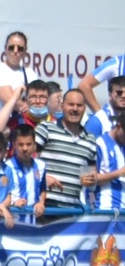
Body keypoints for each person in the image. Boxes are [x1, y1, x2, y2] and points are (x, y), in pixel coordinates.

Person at [36, 88, 100, 217]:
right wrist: (43, 178)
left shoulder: (90, 140)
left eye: (79, 105)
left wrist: (93, 180)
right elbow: (25, 162)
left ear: (84, 108)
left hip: (72, 212)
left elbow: (91, 178)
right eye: (71, 104)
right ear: (62, 106)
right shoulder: (46, 129)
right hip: (44, 208)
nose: (75, 109)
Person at [0, 121, 48, 226]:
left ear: (34, 144)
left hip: (33, 223)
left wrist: (41, 203)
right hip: (11, 222)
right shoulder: (6, 167)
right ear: (14, 145)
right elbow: (1, 192)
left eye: (28, 144)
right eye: (21, 144)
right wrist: (13, 203)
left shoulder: (41, 166)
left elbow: (43, 189)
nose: (25, 149)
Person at [0, 31, 29, 137]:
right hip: (3, 131)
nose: (15, 51)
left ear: (25, 51)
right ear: (5, 49)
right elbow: (11, 101)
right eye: (11, 47)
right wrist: (30, 107)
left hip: (24, 132)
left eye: (20, 48)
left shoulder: (30, 73)